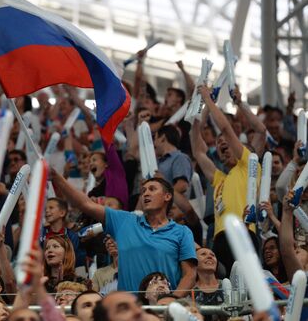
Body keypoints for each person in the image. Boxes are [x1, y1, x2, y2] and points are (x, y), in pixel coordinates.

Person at [52, 172, 197, 296]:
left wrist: (171, 301)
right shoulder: (124, 220)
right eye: (143, 190)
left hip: (164, 311)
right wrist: (56, 177)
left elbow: (189, 275)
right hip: (128, 311)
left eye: (152, 189)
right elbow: (86, 204)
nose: (145, 193)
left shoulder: (182, 232)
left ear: (167, 196)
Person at [191, 85, 259, 274]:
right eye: (219, 143)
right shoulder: (219, 178)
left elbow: (226, 129)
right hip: (219, 240)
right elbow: (197, 150)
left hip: (243, 232)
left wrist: (209, 100)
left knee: (246, 287)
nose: (222, 143)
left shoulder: (249, 165)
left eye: (227, 143)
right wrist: (198, 114)